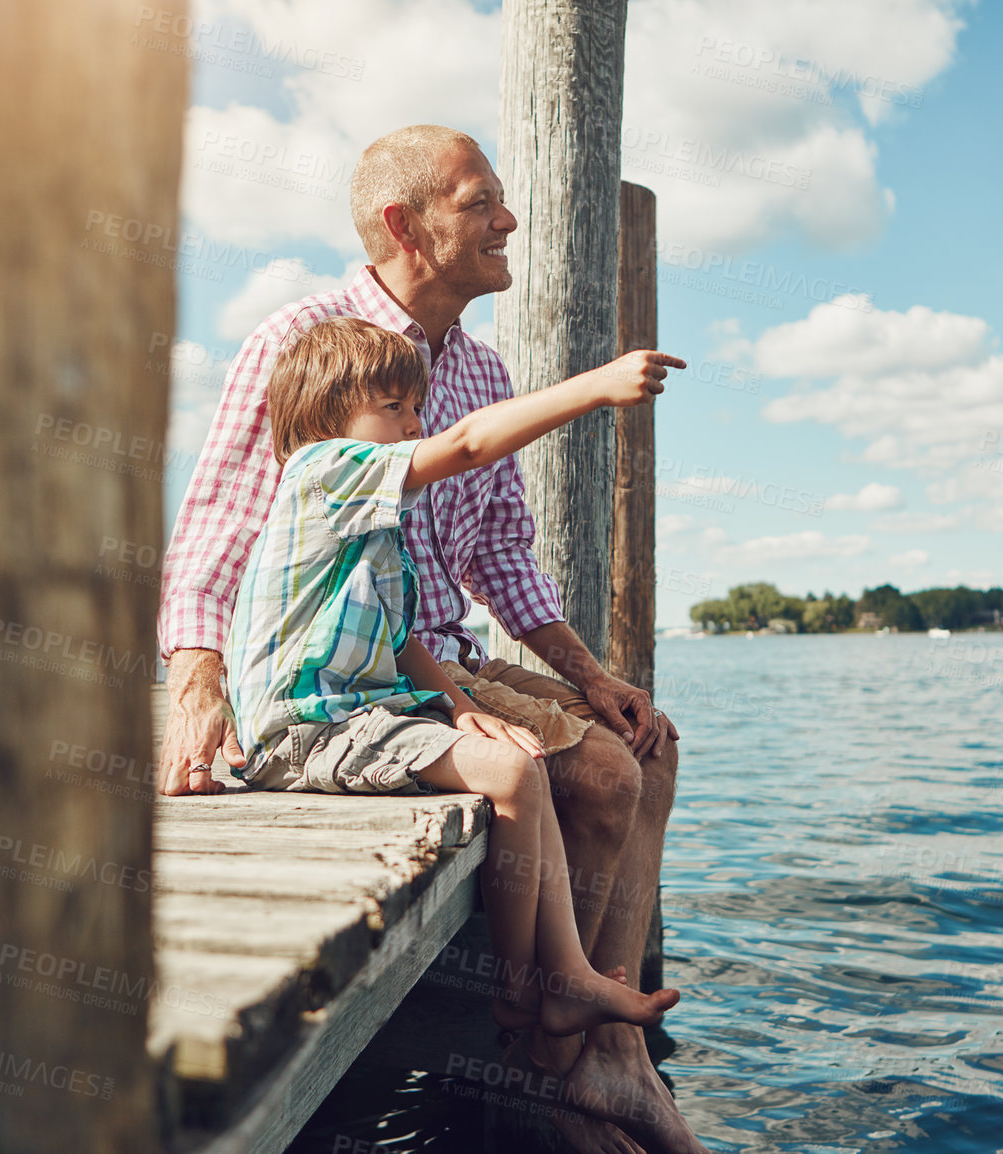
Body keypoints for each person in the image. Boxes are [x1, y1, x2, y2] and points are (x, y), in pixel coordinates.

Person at [159, 125, 709, 1154]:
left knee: (646, 741)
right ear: (406, 224)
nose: (509, 219)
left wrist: (593, 677)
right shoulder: (308, 343)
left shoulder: (484, 368)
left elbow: (499, 555)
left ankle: (607, 1051)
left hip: (433, 656)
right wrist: (196, 685)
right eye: (481, 200)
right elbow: (216, 530)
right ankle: (549, 1066)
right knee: (595, 780)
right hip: (345, 684)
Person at [226, 314, 681, 1037]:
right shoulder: (324, 470)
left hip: (352, 715)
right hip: (301, 731)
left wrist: (460, 706)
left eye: (417, 407)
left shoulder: (374, 526)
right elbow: (466, 445)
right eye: (395, 408)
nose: (416, 424)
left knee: (520, 758)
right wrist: (593, 388)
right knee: (512, 774)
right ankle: (516, 988)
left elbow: (401, 636)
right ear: (325, 415)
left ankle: (565, 975)